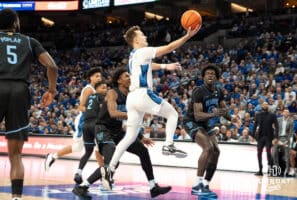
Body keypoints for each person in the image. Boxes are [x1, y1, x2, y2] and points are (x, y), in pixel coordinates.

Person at [103, 25, 200, 188]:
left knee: (130, 137)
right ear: (135, 40)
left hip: (132, 99)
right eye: (142, 35)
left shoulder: (134, 55)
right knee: (173, 115)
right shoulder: (143, 51)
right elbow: (169, 48)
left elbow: (149, 64)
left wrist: (164, 67)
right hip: (143, 94)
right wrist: (187, 36)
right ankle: (168, 145)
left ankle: (109, 169)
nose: (145, 37)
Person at [72, 68, 171, 199]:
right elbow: (113, 113)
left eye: (130, 75)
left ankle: (153, 187)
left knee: (143, 151)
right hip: (103, 130)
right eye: (126, 76)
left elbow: (128, 122)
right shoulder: (113, 93)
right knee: (113, 160)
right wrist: (135, 115)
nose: (130, 78)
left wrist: (140, 137)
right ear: (119, 80)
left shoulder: (131, 96)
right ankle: (82, 187)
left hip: (117, 132)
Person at [0, 8, 58, 200]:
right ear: (15, 23)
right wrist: (51, 90)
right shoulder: (28, 41)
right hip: (19, 92)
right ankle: (16, 197)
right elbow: (52, 66)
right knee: (15, 155)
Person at [44, 68, 104, 184]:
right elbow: (81, 107)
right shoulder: (89, 89)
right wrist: (95, 111)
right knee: (83, 147)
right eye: (96, 76)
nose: (99, 78)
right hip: (84, 121)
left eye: (100, 76)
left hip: (93, 122)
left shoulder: (98, 90)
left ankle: (102, 174)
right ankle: (52, 156)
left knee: (94, 147)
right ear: (90, 77)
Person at [183, 65, 229, 198]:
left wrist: (232, 118)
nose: (210, 75)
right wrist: (214, 114)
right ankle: (197, 185)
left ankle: (206, 184)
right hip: (191, 121)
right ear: (203, 77)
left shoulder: (219, 92)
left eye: (213, 74)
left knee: (216, 151)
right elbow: (197, 115)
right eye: (207, 73)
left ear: (216, 77)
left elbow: (224, 111)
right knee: (208, 148)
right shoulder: (198, 91)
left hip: (205, 124)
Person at [252, 102, 279, 176]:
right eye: (264, 104)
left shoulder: (272, 115)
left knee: (268, 153)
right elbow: (254, 126)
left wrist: (276, 137)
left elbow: (277, 126)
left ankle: (270, 169)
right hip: (260, 137)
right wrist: (253, 136)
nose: (265, 105)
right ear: (261, 106)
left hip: (269, 137)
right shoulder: (258, 115)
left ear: (268, 106)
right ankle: (260, 170)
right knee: (259, 153)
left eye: (266, 104)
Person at [271, 109, 294, 176]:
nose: (286, 113)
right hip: (278, 138)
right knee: (274, 152)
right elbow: (275, 129)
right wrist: (275, 138)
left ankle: (287, 171)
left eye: (287, 112)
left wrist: (287, 141)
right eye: (285, 112)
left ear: (289, 114)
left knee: (287, 155)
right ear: (283, 113)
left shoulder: (291, 121)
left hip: (286, 139)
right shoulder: (278, 120)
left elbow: (291, 133)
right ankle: (277, 169)